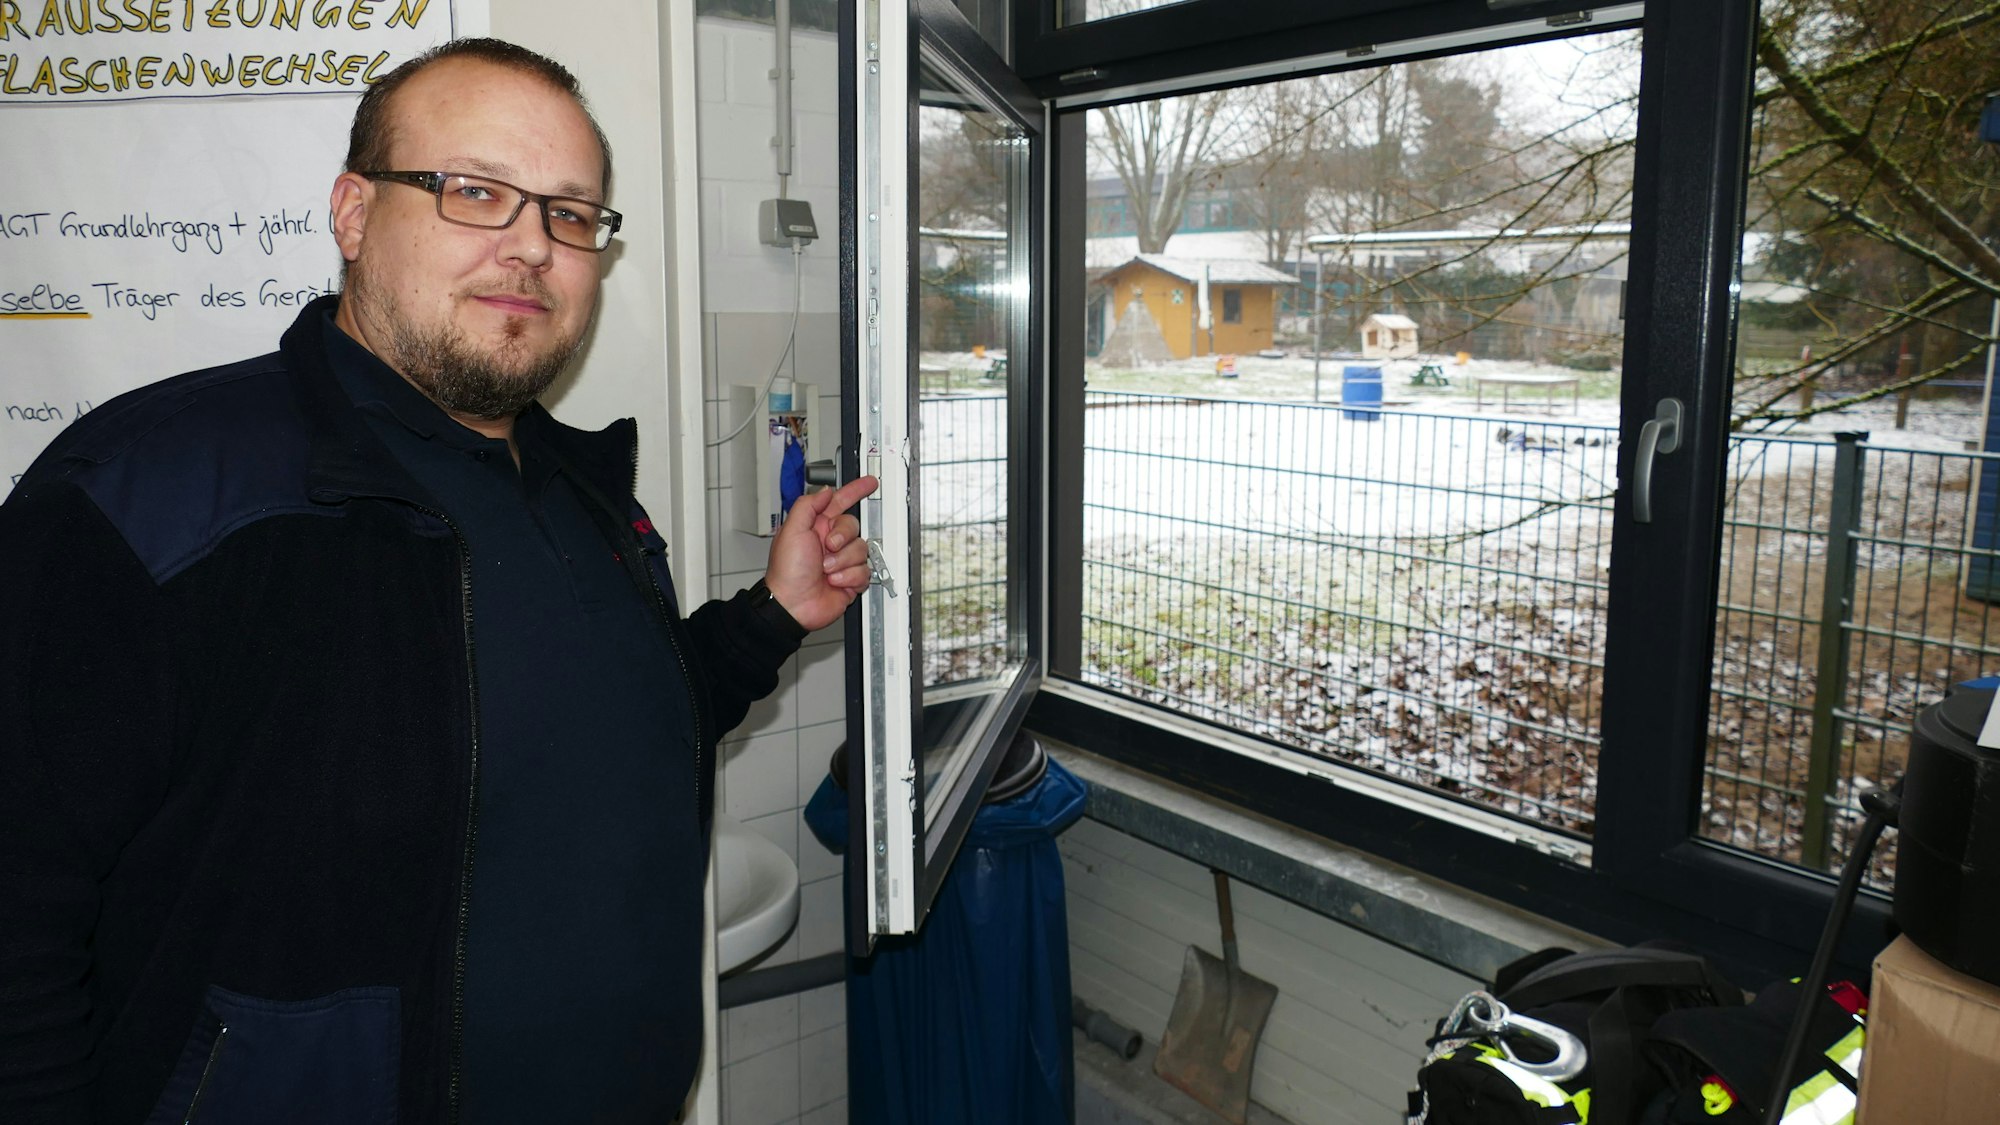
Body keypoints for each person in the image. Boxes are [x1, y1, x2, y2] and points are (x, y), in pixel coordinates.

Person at [0, 37, 875, 1124]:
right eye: (475, 192)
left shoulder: (582, 490)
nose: (532, 246)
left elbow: (614, 727)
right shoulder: (147, 495)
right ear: (353, 213)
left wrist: (772, 616)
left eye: (570, 214)